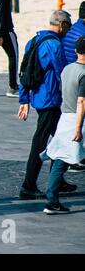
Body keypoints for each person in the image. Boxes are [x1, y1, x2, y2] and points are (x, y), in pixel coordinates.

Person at [18, 10, 73, 200]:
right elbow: (62, 74)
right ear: (62, 25)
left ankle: (57, 179)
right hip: (51, 101)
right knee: (41, 142)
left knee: (60, 138)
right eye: (68, 26)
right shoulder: (54, 45)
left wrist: (24, 99)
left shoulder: (33, 41)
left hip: (39, 98)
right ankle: (28, 185)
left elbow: (24, 71)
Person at [42, 36, 85, 214]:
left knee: (60, 159)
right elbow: (81, 101)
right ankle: (51, 201)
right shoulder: (84, 73)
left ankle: (52, 200)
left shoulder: (67, 69)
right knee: (64, 159)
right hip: (78, 120)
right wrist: (78, 128)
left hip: (65, 116)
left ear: (76, 51)